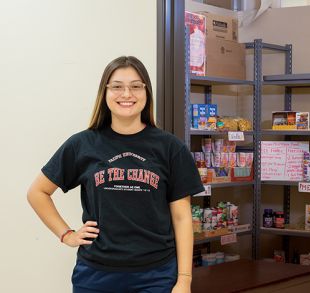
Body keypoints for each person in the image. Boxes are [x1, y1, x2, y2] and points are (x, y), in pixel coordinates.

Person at [27, 56, 204, 293]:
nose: (126, 94)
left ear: (146, 92)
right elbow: (37, 192)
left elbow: (182, 218)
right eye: (117, 86)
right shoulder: (83, 144)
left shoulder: (171, 148)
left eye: (135, 86)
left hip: (156, 275)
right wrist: (66, 234)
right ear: (105, 92)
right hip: (95, 275)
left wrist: (184, 280)